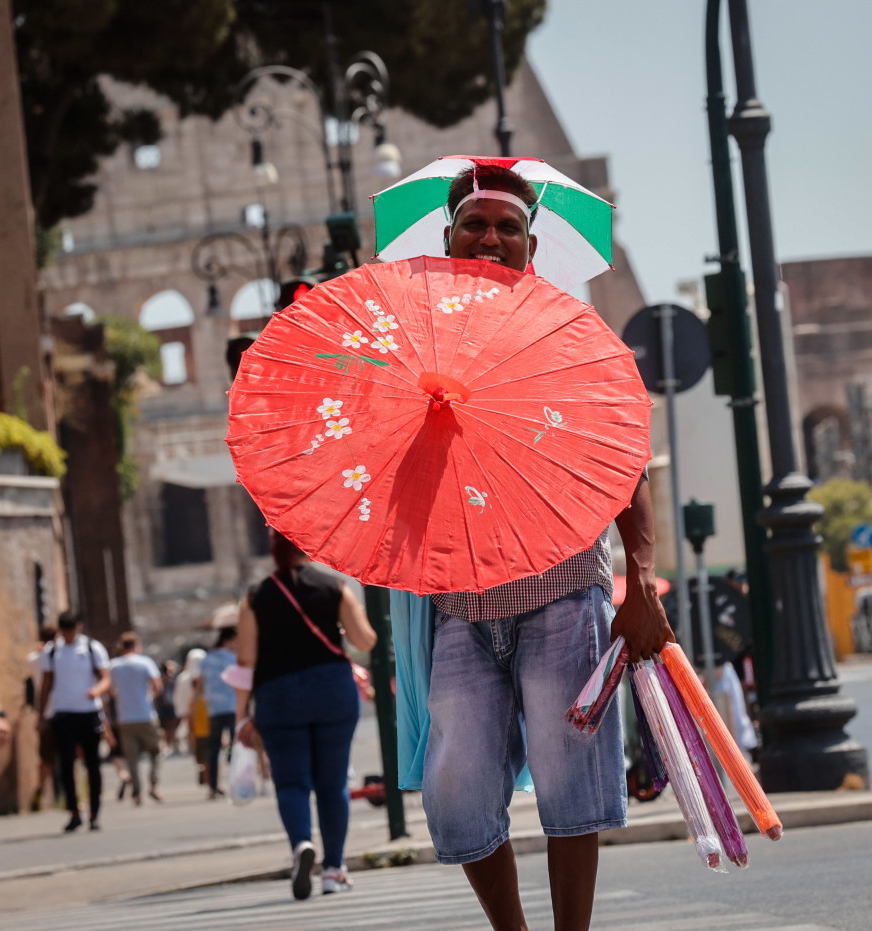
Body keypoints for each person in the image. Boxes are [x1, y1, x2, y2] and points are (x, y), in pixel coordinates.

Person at [394, 164, 674, 931]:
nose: (489, 237)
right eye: (474, 225)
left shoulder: (567, 333)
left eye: (505, 227)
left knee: (569, 779)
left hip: (562, 584)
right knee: (455, 788)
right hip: (457, 596)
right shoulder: (412, 340)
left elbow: (626, 462)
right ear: (448, 238)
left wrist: (641, 578)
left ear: (531, 243)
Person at [234, 530, 377, 900]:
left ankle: (301, 846)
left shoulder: (255, 596)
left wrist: (240, 716)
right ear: (308, 547)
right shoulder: (333, 587)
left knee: (291, 782)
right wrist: (342, 622)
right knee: (333, 784)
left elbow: (245, 660)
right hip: (331, 688)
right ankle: (334, 869)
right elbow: (365, 641)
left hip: (277, 694)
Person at [36, 611, 112, 832]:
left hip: (88, 713)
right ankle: (74, 812)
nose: (69, 635)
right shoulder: (52, 652)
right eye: (64, 631)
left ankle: (95, 813)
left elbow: (106, 677)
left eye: (72, 630)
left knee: (93, 764)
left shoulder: (92, 648)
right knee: (67, 765)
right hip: (64, 714)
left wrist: (96, 690)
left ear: (79, 627)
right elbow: (46, 685)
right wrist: (41, 716)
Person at [109, 632, 164, 804]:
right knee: (156, 751)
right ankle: (153, 785)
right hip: (145, 714)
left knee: (131, 757)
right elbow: (157, 686)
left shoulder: (113, 665)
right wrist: (148, 697)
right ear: (136, 645)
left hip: (125, 716)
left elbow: (110, 691)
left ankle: (137, 793)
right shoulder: (145, 662)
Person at [199, 627, 237, 799]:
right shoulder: (233, 658)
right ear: (228, 640)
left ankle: (213, 786)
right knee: (237, 745)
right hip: (233, 706)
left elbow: (200, 685)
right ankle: (238, 783)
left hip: (213, 708)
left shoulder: (206, 659)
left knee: (213, 749)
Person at [27, 625, 59, 810]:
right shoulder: (59, 655)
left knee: (45, 757)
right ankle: (75, 796)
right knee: (70, 756)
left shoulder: (34, 657)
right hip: (63, 710)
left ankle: (40, 789)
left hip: (44, 712)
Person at [156, 659, 181, 754]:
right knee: (166, 727)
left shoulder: (176, 678)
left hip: (174, 705)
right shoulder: (162, 679)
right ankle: (167, 745)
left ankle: (172, 744)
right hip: (164, 705)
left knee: (174, 726)